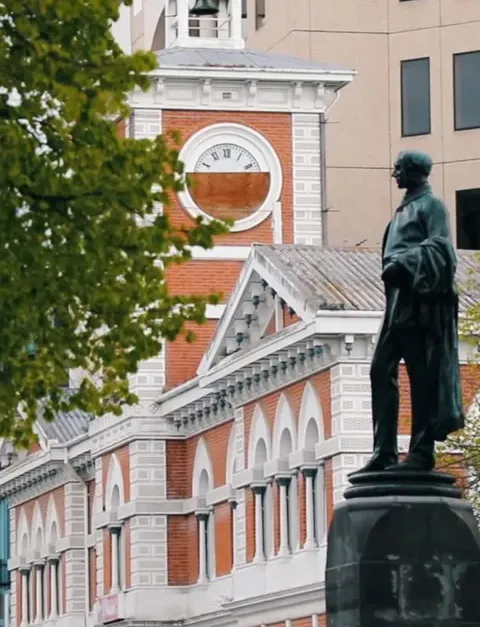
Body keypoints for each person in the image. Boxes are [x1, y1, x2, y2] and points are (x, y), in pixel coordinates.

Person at [356, 150, 464, 473]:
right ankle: (385, 451)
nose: (395, 175)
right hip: (397, 304)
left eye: (399, 169)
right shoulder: (404, 210)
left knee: (422, 376)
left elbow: (443, 249)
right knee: (380, 369)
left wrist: (404, 263)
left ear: (416, 172)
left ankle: (421, 451)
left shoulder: (433, 207)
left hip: (420, 304)